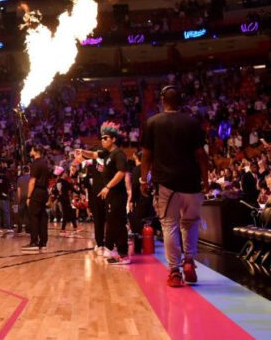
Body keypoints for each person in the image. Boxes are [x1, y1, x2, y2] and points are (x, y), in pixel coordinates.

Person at [141, 85, 209, 287]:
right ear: (180, 101)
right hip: (191, 182)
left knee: (170, 224)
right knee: (189, 223)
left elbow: (146, 156)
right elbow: (201, 155)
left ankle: (174, 271)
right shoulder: (192, 123)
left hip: (166, 184)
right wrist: (205, 180)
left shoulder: (152, 123)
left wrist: (144, 180)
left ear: (163, 100)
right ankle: (189, 261)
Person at [79, 122, 132, 264]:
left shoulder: (118, 154)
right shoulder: (106, 153)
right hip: (110, 194)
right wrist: (83, 153)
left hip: (117, 194)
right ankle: (118, 252)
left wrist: (107, 187)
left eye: (105, 138)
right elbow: (93, 154)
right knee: (113, 222)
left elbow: (121, 172)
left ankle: (124, 254)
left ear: (113, 139)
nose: (102, 140)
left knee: (119, 223)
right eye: (101, 138)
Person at [21, 145, 50, 254]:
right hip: (44, 192)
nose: (30, 151)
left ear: (35, 151)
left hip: (36, 192)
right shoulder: (45, 163)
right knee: (42, 217)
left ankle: (34, 242)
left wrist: (29, 196)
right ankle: (43, 242)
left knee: (33, 216)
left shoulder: (35, 164)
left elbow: (32, 181)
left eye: (31, 149)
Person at [15, 166, 30, 234]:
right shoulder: (31, 178)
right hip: (29, 198)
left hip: (22, 198)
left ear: (23, 171)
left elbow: (19, 190)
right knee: (28, 214)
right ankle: (28, 230)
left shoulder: (19, 179)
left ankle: (19, 229)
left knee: (21, 214)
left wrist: (18, 200)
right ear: (29, 171)